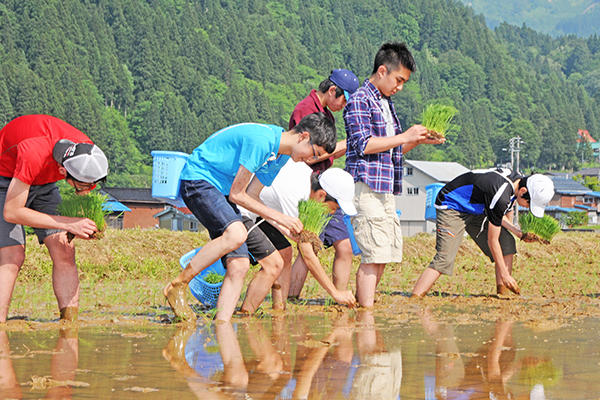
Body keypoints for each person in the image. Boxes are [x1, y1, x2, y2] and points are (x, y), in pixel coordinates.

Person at [163, 113, 337, 322]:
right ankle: (178, 285)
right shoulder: (262, 141)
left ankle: (223, 325)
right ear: (303, 137)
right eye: (313, 153)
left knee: (240, 265)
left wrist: (283, 228)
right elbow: (238, 194)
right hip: (199, 180)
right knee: (236, 234)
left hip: (223, 193)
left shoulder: (280, 156)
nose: (310, 160)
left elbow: (252, 195)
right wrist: (282, 218)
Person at [344, 42, 444, 307]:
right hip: (366, 186)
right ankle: (365, 312)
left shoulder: (386, 103)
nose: (399, 87)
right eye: (398, 80)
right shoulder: (359, 100)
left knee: (384, 253)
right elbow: (363, 144)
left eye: (403, 82)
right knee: (372, 255)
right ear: (381, 71)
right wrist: (404, 135)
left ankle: (368, 305)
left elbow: (393, 150)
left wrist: (419, 140)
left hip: (386, 187)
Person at [0, 114, 109, 323]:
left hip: (43, 183)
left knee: (64, 248)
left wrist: (81, 223)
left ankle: (69, 323)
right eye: (85, 186)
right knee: (13, 255)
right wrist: (69, 222)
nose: (88, 190)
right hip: (5, 179)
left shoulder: (85, 151)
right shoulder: (34, 153)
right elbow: (12, 212)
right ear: (62, 170)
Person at [411, 170, 555, 297]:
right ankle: (415, 299)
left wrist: (519, 234)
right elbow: (492, 241)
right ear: (523, 191)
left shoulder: (516, 183)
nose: (528, 207)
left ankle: (503, 296)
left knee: (507, 243)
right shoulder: (501, 192)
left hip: (477, 208)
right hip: (452, 206)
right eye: (529, 203)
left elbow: (499, 215)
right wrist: (505, 274)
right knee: (444, 258)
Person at [239, 161, 356, 313]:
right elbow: (307, 254)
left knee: (285, 252)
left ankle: (279, 311)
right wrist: (334, 292)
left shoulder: (308, 180)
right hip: (242, 209)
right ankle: (246, 314)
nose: (332, 213)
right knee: (273, 263)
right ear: (322, 195)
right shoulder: (298, 195)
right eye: (334, 208)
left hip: (261, 210)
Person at [287, 69, 360, 298]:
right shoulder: (305, 110)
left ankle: (339, 296)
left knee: (337, 247)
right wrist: (346, 145)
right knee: (310, 246)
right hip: (311, 189)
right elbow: (308, 154)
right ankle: (292, 297)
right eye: (343, 100)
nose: (343, 106)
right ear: (332, 90)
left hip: (324, 185)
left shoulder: (326, 115)